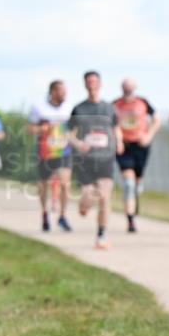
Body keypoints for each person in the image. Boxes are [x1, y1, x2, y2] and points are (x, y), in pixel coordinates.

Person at [68, 71, 123, 250]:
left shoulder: (109, 108)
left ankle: (101, 236)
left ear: (100, 84)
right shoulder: (79, 109)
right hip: (86, 160)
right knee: (88, 195)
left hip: (106, 158)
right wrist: (78, 144)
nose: (92, 85)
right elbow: (69, 134)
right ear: (85, 85)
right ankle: (84, 205)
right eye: (89, 82)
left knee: (105, 196)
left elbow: (116, 128)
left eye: (94, 81)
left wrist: (120, 142)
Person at [113, 78, 160, 232]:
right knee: (129, 183)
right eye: (125, 87)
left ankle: (135, 195)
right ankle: (130, 220)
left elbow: (156, 120)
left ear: (134, 87)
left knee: (137, 183)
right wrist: (118, 141)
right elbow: (111, 124)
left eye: (130, 87)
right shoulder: (115, 104)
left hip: (140, 146)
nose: (128, 89)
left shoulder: (143, 102)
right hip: (124, 147)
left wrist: (149, 136)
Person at [27, 80, 74, 232]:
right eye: (61, 91)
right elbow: (30, 128)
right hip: (45, 152)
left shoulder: (69, 108)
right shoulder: (39, 108)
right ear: (53, 92)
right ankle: (45, 214)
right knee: (44, 185)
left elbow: (74, 128)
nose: (64, 93)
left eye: (65, 90)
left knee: (65, 183)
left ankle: (62, 216)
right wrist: (42, 129)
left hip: (63, 151)